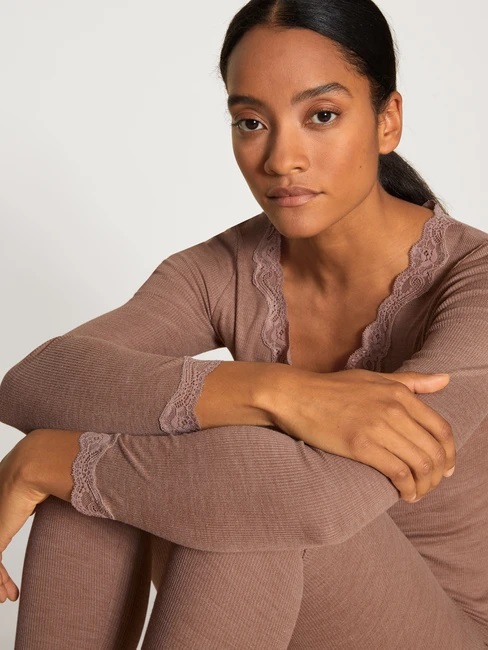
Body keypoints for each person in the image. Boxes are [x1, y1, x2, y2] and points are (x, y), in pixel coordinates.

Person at [0, 0, 487, 647]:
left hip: (444, 629)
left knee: (244, 499)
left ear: (387, 120)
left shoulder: (474, 281)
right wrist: (280, 393)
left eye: (321, 115)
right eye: (252, 122)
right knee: (108, 444)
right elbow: (35, 380)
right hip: (261, 606)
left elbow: (315, 499)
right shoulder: (225, 267)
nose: (282, 158)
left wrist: (50, 460)